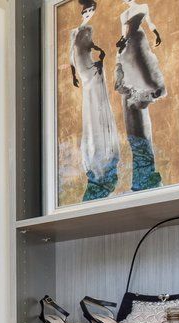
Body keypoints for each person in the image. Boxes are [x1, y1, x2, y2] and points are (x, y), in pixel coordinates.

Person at [70, 0, 120, 201]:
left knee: (97, 105)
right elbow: (71, 55)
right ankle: (95, 158)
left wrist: (100, 51)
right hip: (84, 69)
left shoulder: (88, 29)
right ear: (83, 10)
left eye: (91, 10)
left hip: (91, 67)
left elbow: (91, 45)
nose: (89, 13)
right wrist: (73, 73)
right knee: (91, 107)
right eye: (87, 10)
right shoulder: (75, 31)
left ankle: (103, 155)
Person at [115, 0, 166, 191]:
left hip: (138, 42)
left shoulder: (143, 7)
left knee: (143, 69)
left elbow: (150, 23)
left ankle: (149, 89)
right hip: (129, 45)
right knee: (132, 77)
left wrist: (156, 33)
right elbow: (123, 31)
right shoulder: (124, 15)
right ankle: (140, 91)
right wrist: (120, 49)